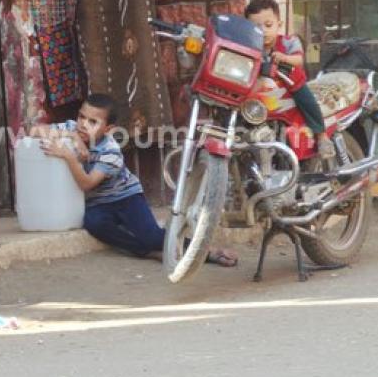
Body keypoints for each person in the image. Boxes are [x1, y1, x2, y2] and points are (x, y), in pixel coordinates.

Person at [29, 93, 237, 266]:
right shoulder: (73, 129)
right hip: (99, 203)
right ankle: (148, 253)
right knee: (94, 224)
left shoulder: (110, 152)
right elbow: (34, 130)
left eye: (93, 122)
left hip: (126, 198)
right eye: (81, 117)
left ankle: (204, 250)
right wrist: (72, 137)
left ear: (108, 129)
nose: (83, 125)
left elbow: (86, 183)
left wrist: (68, 156)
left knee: (151, 236)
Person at [245, 0, 336, 159]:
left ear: (279, 25)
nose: (264, 31)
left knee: (307, 101)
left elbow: (299, 60)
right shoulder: (250, 47)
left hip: (292, 84)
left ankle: (321, 136)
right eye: (256, 27)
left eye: (268, 25)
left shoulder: (289, 42)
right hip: (264, 89)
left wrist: (284, 58)